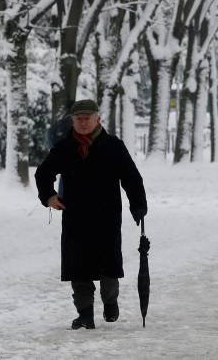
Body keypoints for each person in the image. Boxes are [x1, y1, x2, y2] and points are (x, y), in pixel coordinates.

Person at [35, 99, 148, 330]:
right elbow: (43, 173)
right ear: (73, 121)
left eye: (88, 118)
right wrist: (49, 196)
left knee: (108, 268)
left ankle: (110, 303)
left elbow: (131, 178)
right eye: (79, 119)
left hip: (107, 218)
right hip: (75, 219)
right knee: (78, 269)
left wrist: (138, 206)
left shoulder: (113, 146)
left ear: (98, 118)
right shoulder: (64, 147)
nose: (84, 122)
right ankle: (85, 314)